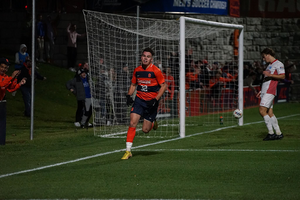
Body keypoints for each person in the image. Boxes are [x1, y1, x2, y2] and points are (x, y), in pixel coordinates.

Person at [121, 48, 167, 159]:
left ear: (151, 59)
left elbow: (164, 86)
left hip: (151, 102)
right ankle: (128, 151)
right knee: (132, 123)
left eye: (148, 56)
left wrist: (155, 99)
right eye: (144, 56)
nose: (145, 58)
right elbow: (133, 85)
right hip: (139, 100)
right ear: (141, 57)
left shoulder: (156, 71)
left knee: (145, 130)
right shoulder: (137, 70)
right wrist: (128, 95)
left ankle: (152, 122)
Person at [256, 48, 285, 141]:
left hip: (270, 91)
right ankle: (278, 133)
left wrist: (270, 75)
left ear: (268, 54)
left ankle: (271, 133)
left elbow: (282, 76)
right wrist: (261, 91)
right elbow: (266, 80)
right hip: (266, 91)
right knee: (270, 113)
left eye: (264, 57)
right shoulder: (270, 65)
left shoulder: (279, 64)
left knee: (262, 110)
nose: (264, 59)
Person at [0, 58, 26, 145]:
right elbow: (1, 85)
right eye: (2, 67)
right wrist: (12, 77)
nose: (4, 69)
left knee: (2, 124)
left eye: (6, 68)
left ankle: (1, 142)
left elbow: (11, 88)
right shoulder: (4, 78)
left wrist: (19, 83)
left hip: (2, 103)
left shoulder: (6, 77)